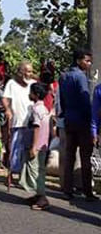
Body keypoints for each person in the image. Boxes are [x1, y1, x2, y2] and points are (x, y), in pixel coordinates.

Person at [59, 48, 99, 201]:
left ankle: (67, 189)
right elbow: (84, 99)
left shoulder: (64, 76)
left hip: (69, 120)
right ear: (78, 60)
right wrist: (92, 122)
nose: (89, 64)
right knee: (85, 157)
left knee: (70, 157)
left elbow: (62, 99)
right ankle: (87, 192)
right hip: (82, 121)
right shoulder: (80, 77)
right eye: (87, 61)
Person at [21, 83, 52, 210]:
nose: (29, 94)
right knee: (39, 171)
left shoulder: (35, 110)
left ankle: (42, 198)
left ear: (36, 95)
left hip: (37, 146)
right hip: (43, 145)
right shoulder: (44, 109)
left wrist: (34, 147)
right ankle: (37, 195)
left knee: (34, 173)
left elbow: (36, 128)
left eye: (31, 92)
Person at [3, 61, 36, 181]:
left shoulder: (33, 83)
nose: (30, 73)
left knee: (27, 150)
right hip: (17, 120)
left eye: (31, 71)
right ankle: (11, 173)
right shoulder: (12, 83)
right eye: (28, 71)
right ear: (21, 71)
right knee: (15, 149)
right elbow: (6, 98)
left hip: (30, 121)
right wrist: (7, 109)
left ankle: (23, 175)